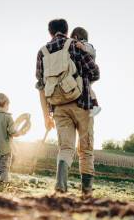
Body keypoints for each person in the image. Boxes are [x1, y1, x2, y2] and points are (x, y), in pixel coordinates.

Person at [36, 18, 100, 196]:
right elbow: (95, 72)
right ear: (67, 30)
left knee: (65, 148)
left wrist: (46, 117)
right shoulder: (75, 45)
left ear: (50, 32)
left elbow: (41, 87)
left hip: (58, 107)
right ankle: (86, 192)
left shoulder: (42, 52)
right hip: (82, 103)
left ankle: (60, 185)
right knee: (85, 148)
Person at [70, 26, 101, 117]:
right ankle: (93, 105)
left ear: (75, 37)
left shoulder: (87, 45)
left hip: (90, 73)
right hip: (88, 73)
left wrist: (83, 47)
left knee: (88, 88)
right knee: (88, 89)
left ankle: (95, 105)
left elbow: (92, 51)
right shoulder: (83, 44)